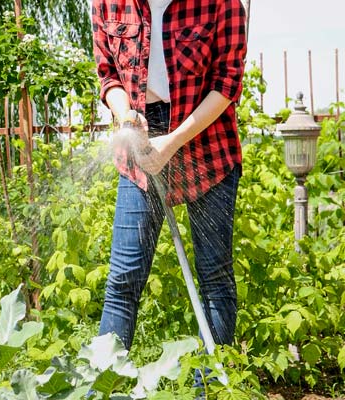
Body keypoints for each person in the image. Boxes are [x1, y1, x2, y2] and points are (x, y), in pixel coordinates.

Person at [91, 0, 247, 380]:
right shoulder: (108, 2)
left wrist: (173, 141)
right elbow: (108, 74)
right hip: (141, 136)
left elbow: (227, 82)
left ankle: (207, 387)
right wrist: (126, 114)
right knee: (123, 278)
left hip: (204, 135)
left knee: (214, 277)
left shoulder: (221, 3)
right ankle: (100, 386)